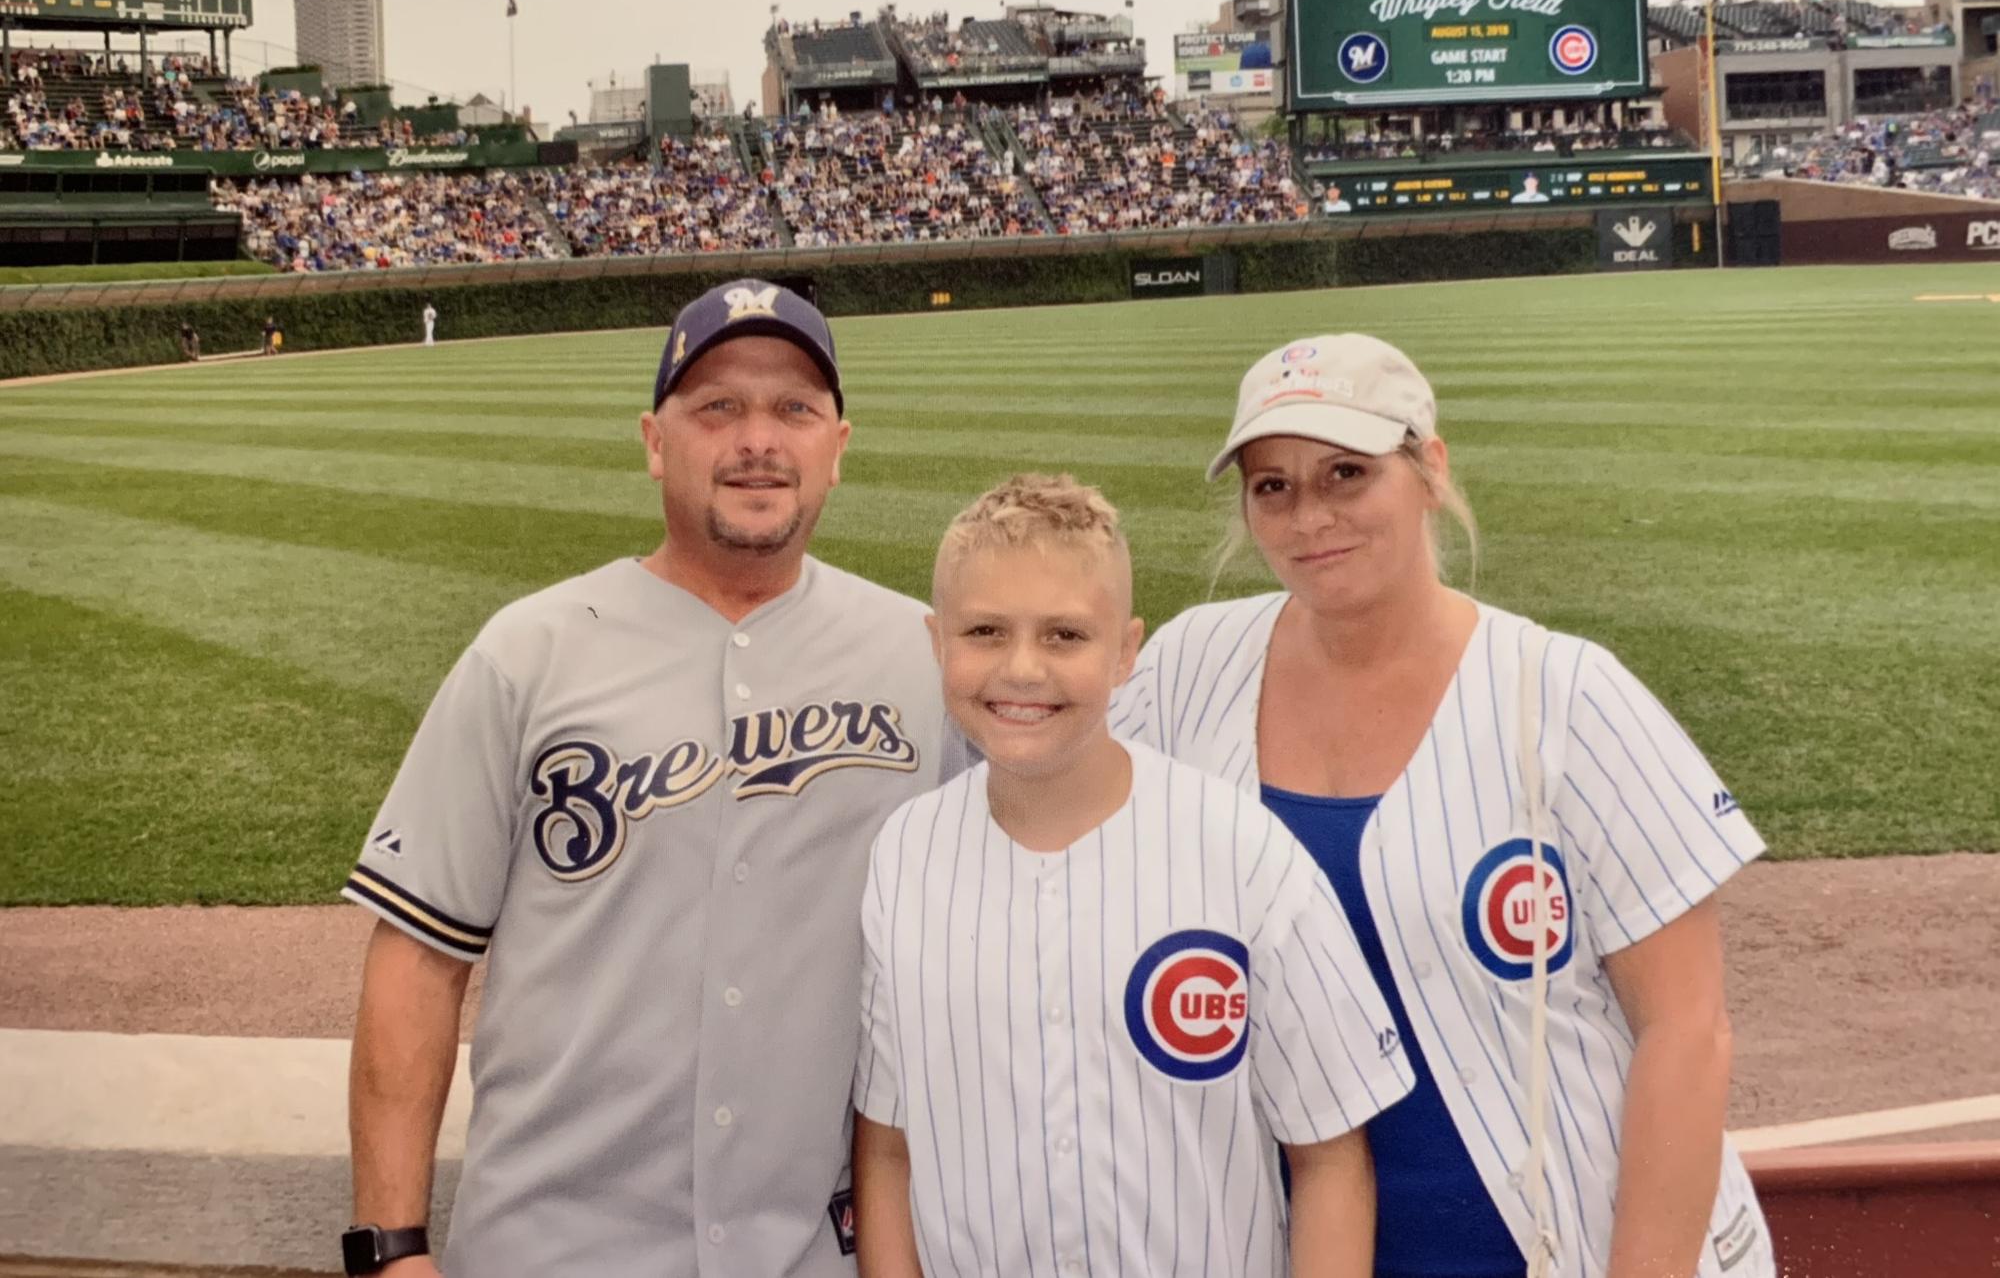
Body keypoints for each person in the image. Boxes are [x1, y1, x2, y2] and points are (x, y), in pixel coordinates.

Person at [1111, 335, 1773, 1278]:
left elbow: (1687, 1029)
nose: (1310, 517)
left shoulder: (1567, 694)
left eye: (1348, 472)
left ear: (1429, 468)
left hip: (1576, 1245)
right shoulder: (1189, 667)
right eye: (1274, 486)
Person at [342, 281, 966, 1278]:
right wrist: (389, 1247)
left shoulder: (926, 659)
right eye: (716, 407)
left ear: (836, 448)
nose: (756, 439)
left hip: (811, 1251)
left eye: (792, 410)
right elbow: (419, 958)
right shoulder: (529, 653)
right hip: (546, 1250)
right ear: (653, 442)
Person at [852, 474, 1413, 1278]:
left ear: (1125, 653)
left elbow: (1329, 1158)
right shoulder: (905, 855)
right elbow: (888, 1150)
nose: (1021, 669)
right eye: (984, 631)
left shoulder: (1240, 851)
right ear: (938, 643)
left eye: (1064, 637)